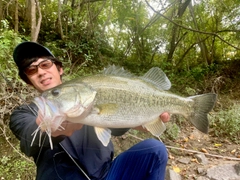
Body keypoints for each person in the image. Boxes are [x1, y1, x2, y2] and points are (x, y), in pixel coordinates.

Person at [10, 41, 170, 180]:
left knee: (155, 150)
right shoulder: (22, 114)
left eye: (45, 65)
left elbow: (115, 126)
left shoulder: (85, 94)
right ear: (28, 81)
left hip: (109, 174)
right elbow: (28, 140)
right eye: (32, 70)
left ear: (59, 69)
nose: (41, 72)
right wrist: (50, 130)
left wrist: (138, 120)